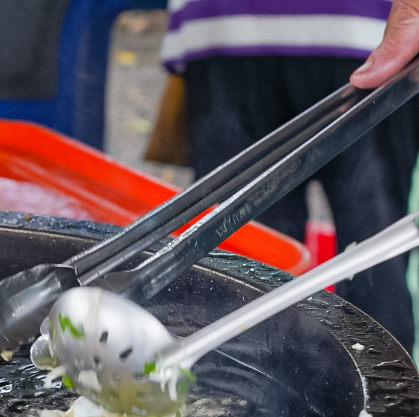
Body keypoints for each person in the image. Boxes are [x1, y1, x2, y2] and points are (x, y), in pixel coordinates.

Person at [161, 0, 419, 350]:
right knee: (373, 268)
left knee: (246, 283)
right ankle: (384, 403)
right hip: (360, 27)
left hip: (225, 26)